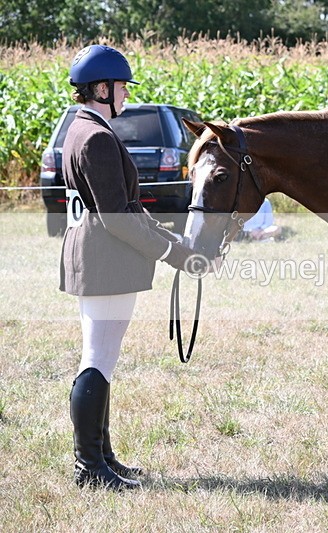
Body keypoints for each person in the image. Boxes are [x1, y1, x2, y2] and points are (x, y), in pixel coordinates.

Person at [60, 44, 197, 490]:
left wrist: (172, 239)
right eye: (121, 87)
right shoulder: (96, 137)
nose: (125, 96)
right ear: (102, 88)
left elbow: (125, 206)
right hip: (104, 258)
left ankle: (101, 456)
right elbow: (118, 218)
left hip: (97, 255)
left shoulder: (82, 129)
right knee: (97, 359)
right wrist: (174, 254)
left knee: (102, 359)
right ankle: (90, 467)